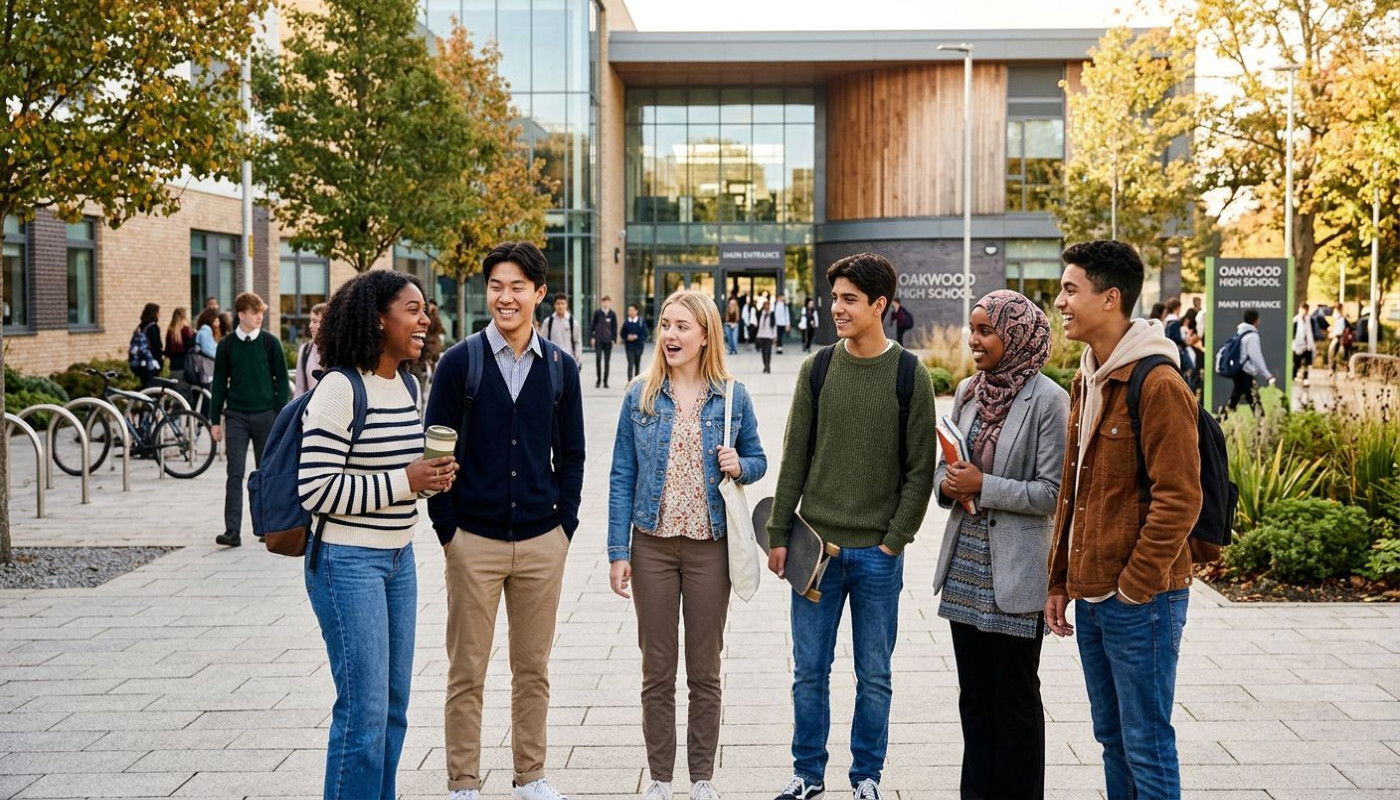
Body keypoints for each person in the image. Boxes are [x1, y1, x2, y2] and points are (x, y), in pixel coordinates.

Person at [765, 253, 937, 800]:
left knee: (875, 675)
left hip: (876, 557)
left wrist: (895, 540)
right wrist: (777, 534)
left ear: (879, 305)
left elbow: (920, 469)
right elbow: (794, 456)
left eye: (849, 299)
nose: (836, 308)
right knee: (808, 672)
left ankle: (866, 777)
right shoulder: (817, 369)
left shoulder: (910, 375)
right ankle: (807, 773)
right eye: (834, 297)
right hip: (816, 550)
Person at [425, 241, 586, 800]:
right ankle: (463, 783)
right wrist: (448, 531)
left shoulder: (561, 369)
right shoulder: (460, 364)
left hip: (543, 541)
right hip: (473, 540)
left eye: (518, 286)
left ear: (539, 293)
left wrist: (565, 527)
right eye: (496, 286)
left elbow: (573, 455)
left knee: (533, 670)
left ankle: (530, 776)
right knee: (466, 671)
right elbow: (436, 454)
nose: (505, 297)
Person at [1044, 240, 1202, 800]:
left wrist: (1134, 587)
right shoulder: (1088, 377)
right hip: (1094, 594)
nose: (1059, 301)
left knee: (1146, 742)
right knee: (1113, 738)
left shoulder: (1157, 383)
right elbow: (1075, 490)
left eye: (1070, 290)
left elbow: (1179, 498)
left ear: (1110, 298)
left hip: (1142, 600)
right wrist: (1060, 580)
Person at [300, 270, 457, 800]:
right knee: (362, 712)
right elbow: (315, 490)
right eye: (413, 310)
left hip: (397, 559)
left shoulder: (406, 385)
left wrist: (429, 480)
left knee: (392, 708)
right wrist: (405, 480)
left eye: (424, 310)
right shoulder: (339, 389)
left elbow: (397, 479)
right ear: (378, 319)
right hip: (346, 562)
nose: (425, 319)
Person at [607, 289, 767, 800]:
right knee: (656, 669)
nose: (670, 335)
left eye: (681, 327)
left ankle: (701, 778)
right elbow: (621, 475)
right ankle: (659, 778)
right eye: (665, 325)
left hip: (709, 548)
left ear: (705, 335)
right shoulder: (640, 396)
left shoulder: (732, 397)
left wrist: (740, 466)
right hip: (651, 545)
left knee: (705, 669)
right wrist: (617, 552)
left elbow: (759, 459)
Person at [932, 290, 1066, 800]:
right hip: (965, 565)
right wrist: (948, 484)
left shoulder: (1049, 400)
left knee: (1015, 699)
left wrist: (982, 486)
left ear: (1016, 335)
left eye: (986, 330)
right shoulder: (969, 391)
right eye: (973, 329)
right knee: (974, 697)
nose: (975, 339)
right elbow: (946, 467)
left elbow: (1051, 493)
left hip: (1016, 571)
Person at [209, 292, 290, 547]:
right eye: (255, 313)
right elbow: (219, 383)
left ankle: (266, 528)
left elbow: (282, 380)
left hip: (266, 416)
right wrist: (214, 420)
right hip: (236, 417)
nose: (259, 317)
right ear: (241, 314)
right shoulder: (227, 345)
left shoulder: (270, 343)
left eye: (261, 313)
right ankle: (232, 531)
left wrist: (278, 413)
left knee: (266, 473)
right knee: (234, 472)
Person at [1228, 308, 1274, 411]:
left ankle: (1222, 417)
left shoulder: (1241, 332)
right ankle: (1261, 418)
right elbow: (1256, 357)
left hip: (1239, 370)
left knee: (1237, 397)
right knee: (1253, 399)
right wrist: (1267, 375)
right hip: (1246, 372)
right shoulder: (1252, 336)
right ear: (1256, 320)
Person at [294, 303, 328, 399]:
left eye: (315, 321)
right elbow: (299, 389)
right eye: (311, 321)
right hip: (311, 406)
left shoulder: (339, 351)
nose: (310, 325)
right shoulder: (305, 350)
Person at [543, 292, 584, 366]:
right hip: (552, 360)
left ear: (566, 305)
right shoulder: (548, 322)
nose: (560, 306)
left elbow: (578, 342)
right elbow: (543, 341)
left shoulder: (573, 322)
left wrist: (578, 359)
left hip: (569, 360)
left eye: (563, 303)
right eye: (558, 303)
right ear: (554, 305)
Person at [132, 303, 164, 388]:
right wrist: (161, 361)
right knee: (152, 388)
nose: (159, 314)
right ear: (154, 313)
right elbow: (157, 346)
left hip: (140, 363)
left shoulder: (140, 326)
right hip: (151, 363)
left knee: (145, 386)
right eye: (158, 312)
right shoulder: (153, 327)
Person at [592, 295, 619, 388]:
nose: (606, 304)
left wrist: (614, 339)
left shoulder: (612, 314)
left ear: (610, 303)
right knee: (598, 358)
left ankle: (605, 381)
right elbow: (593, 325)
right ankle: (598, 380)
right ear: (602, 303)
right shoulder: (597, 313)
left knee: (607, 361)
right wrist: (593, 337)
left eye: (608, 302)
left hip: (608, 341)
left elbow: (615, 327)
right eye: (604, 302)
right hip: (598, 340)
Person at [192, 307, 223, 391]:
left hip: (207, 367)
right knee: (208, 391)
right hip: (206, 367)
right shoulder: (205, 331)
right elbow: (208, 350)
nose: (218, 323)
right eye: (216, 321)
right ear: (210, 320)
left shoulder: (206, 331)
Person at [164, 308, 194, 376]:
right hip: (184, 361)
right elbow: (190, 344)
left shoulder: (170, 331)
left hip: (173, 363)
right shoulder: (185, 330)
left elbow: (167, 349)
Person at [1292, 302, 1315, 388]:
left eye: (1306, 310)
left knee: (1306, 363)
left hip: (1307, 345)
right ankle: (1293, 376)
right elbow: (1292, 334)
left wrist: (1310, 344)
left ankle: (1305, 378)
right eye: (1303, 310)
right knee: (1296, 363)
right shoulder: (1295, 320)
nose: (1304, 312)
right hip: (1297, 345)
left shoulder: (1309, 320)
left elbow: (1310, 332)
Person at [624, 305, 649, 382]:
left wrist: (636, 337)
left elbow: (645, 334)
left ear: (636, 311)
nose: (630, 312)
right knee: (630, 364)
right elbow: (622, 333)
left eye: (632, 310)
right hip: (629, 347)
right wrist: (627, 336)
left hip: (638, 346)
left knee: (637, 364)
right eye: (629, 310)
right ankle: (629, 381)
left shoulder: (641, 322)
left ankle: (636, 381)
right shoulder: (626, 322)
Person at [754, 298, 777, 374]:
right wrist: (758, 335)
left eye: (768, 305)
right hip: (762, 335)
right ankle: (765, 365)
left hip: (769, 335)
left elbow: (774, 326)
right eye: (765, 305)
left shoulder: (772, 314)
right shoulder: (761, 314)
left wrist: (774, 336)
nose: (767, 307)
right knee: (763, 352)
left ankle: (768, 366)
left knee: (768, 351)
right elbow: (759, 326)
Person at [1328, 303, 1351, 372]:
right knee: (1343, 355)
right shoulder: (1340, 319)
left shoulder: (1340, 319)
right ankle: (1345, 370)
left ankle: (1332, 369)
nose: (1333, 312)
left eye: (1335, 310)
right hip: (1343, 339)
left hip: (1340, 339)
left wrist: (1332, 334)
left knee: (1332, 352)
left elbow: (1339, 331)